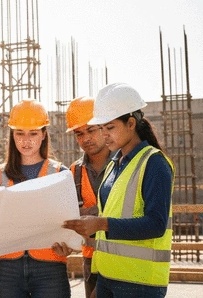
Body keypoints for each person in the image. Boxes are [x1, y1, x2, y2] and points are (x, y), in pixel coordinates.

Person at [62, 82, 175, 298]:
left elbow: (156, 225)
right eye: (102, 128)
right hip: (108, 277)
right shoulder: (116, 164)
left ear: (131, 123)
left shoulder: (154, 163)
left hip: (139, 282)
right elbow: (112, 220)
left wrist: (101, 223)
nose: (104, 135)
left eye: (110, 127)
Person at [0, 98, 71, 298]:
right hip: (8, 269)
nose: (26, 140)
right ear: (12, 136)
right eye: (20, 133)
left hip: (49, 266)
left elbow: (70, 223)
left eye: (33, 133)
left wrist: (69, 245)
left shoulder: (60, 173)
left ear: (43, 134)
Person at [64, 96, 114, 298]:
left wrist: (90, 215)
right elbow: (70, 216)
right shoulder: (74, 171)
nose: (85, 138)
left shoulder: (124, 163)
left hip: (121, 259)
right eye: (79, 133)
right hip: (90, 261)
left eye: (91, 130)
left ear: (104, 127)